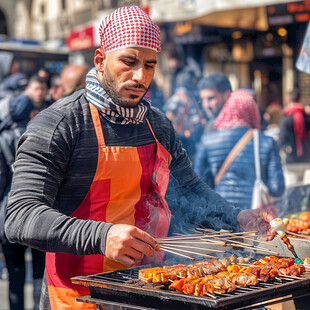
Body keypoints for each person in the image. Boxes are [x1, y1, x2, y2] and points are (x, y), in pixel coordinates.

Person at [4, 6, 275, 310]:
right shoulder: (59, 124)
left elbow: (190, 189)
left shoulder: (156, 124)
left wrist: (234, 216)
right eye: (129, 62)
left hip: (149, 287)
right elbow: (20, 216)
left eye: (149, 65)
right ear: (100, 59)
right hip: (78, 296)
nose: (140, 76)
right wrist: (102, 235)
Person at [194, 89, 285, 211]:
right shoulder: (266, 142)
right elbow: (277, 188)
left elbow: (197, 185)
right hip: (255, 217)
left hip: (221, 215)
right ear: (253, 111)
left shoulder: (208, 140)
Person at [0, 98, 44, 310]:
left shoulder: (2, 138)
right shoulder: (39, 136)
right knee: (39, 273)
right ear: (31, 115)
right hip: (38, 216)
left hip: (9, 216)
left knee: (15, 275)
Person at [164, 69, 205, 160]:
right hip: (181, 137)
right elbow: (168, 119)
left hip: (187, 138)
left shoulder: (187, 96)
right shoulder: (179, 98)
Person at [277, 88, 310, 186]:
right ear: (300, 99)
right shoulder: (308, 118)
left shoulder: (285, 120)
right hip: (307, 160)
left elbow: (281, 142)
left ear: (288, 100)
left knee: (292, 192)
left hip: (291, 161)